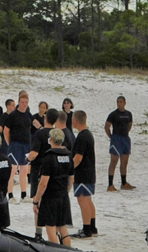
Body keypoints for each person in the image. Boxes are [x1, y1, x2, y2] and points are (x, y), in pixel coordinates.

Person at [30, 125, 77, 244]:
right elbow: (71, 179)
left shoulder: (49, 157)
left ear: (51, 139)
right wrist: (66, 191)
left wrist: (36, 200)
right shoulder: (68, 156)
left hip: (50, 197)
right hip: (63, 196)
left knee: (50, 227)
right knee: (62, 227)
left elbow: (43, 183)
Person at [69, 109, 100, 237]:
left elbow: (78, 158)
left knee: (83, 200)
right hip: (90, 173)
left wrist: (69, 169)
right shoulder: (88, 134)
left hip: (83, 174)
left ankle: (86, 229)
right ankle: (92, 227)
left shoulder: (82, 136)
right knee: (88, 200)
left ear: (75, 121)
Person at [2, 96, 35, 197]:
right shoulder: (13, 115)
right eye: (22, 102)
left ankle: (23, 194)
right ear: (19, 102)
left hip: (26, 145)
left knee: (24, 170)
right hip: (15, 144)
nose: (24, 104)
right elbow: (6, 131)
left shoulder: (29, 115)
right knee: (12, 170)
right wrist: (10, 143)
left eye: (26, 102)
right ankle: (10, 194)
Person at [104, 95, 135, 191]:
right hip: (116, 138)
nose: (119, 103)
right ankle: (110, 185)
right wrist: (111, 137)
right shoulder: (113, 114)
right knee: (114, 161)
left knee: (124, 162)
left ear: (125, 103)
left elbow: (130, 125)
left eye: (121, 102)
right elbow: (107, 127)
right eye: (118, 102)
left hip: (125, 138)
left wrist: (125, 134)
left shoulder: (128, 114)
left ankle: (124, 183)